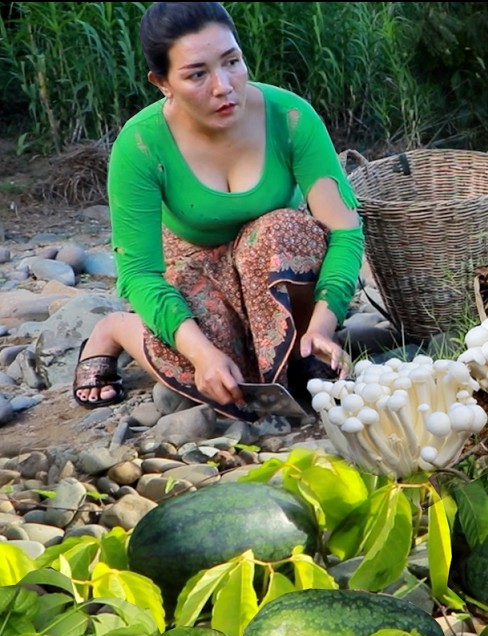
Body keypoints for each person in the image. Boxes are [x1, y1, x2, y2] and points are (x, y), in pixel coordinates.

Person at [72, 1, 363, 421]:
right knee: (214, 377)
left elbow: (345, 230)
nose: (224, 86)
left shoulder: (291, 117)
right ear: (162, 82)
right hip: (195, 264)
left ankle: (299, 348)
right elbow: (139, 273)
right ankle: (115, 329)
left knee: (285, 228)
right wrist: (203, 352)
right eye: (197, 74)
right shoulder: (140, 145)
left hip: (273, 263)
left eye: (232, 62)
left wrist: (323, 324)